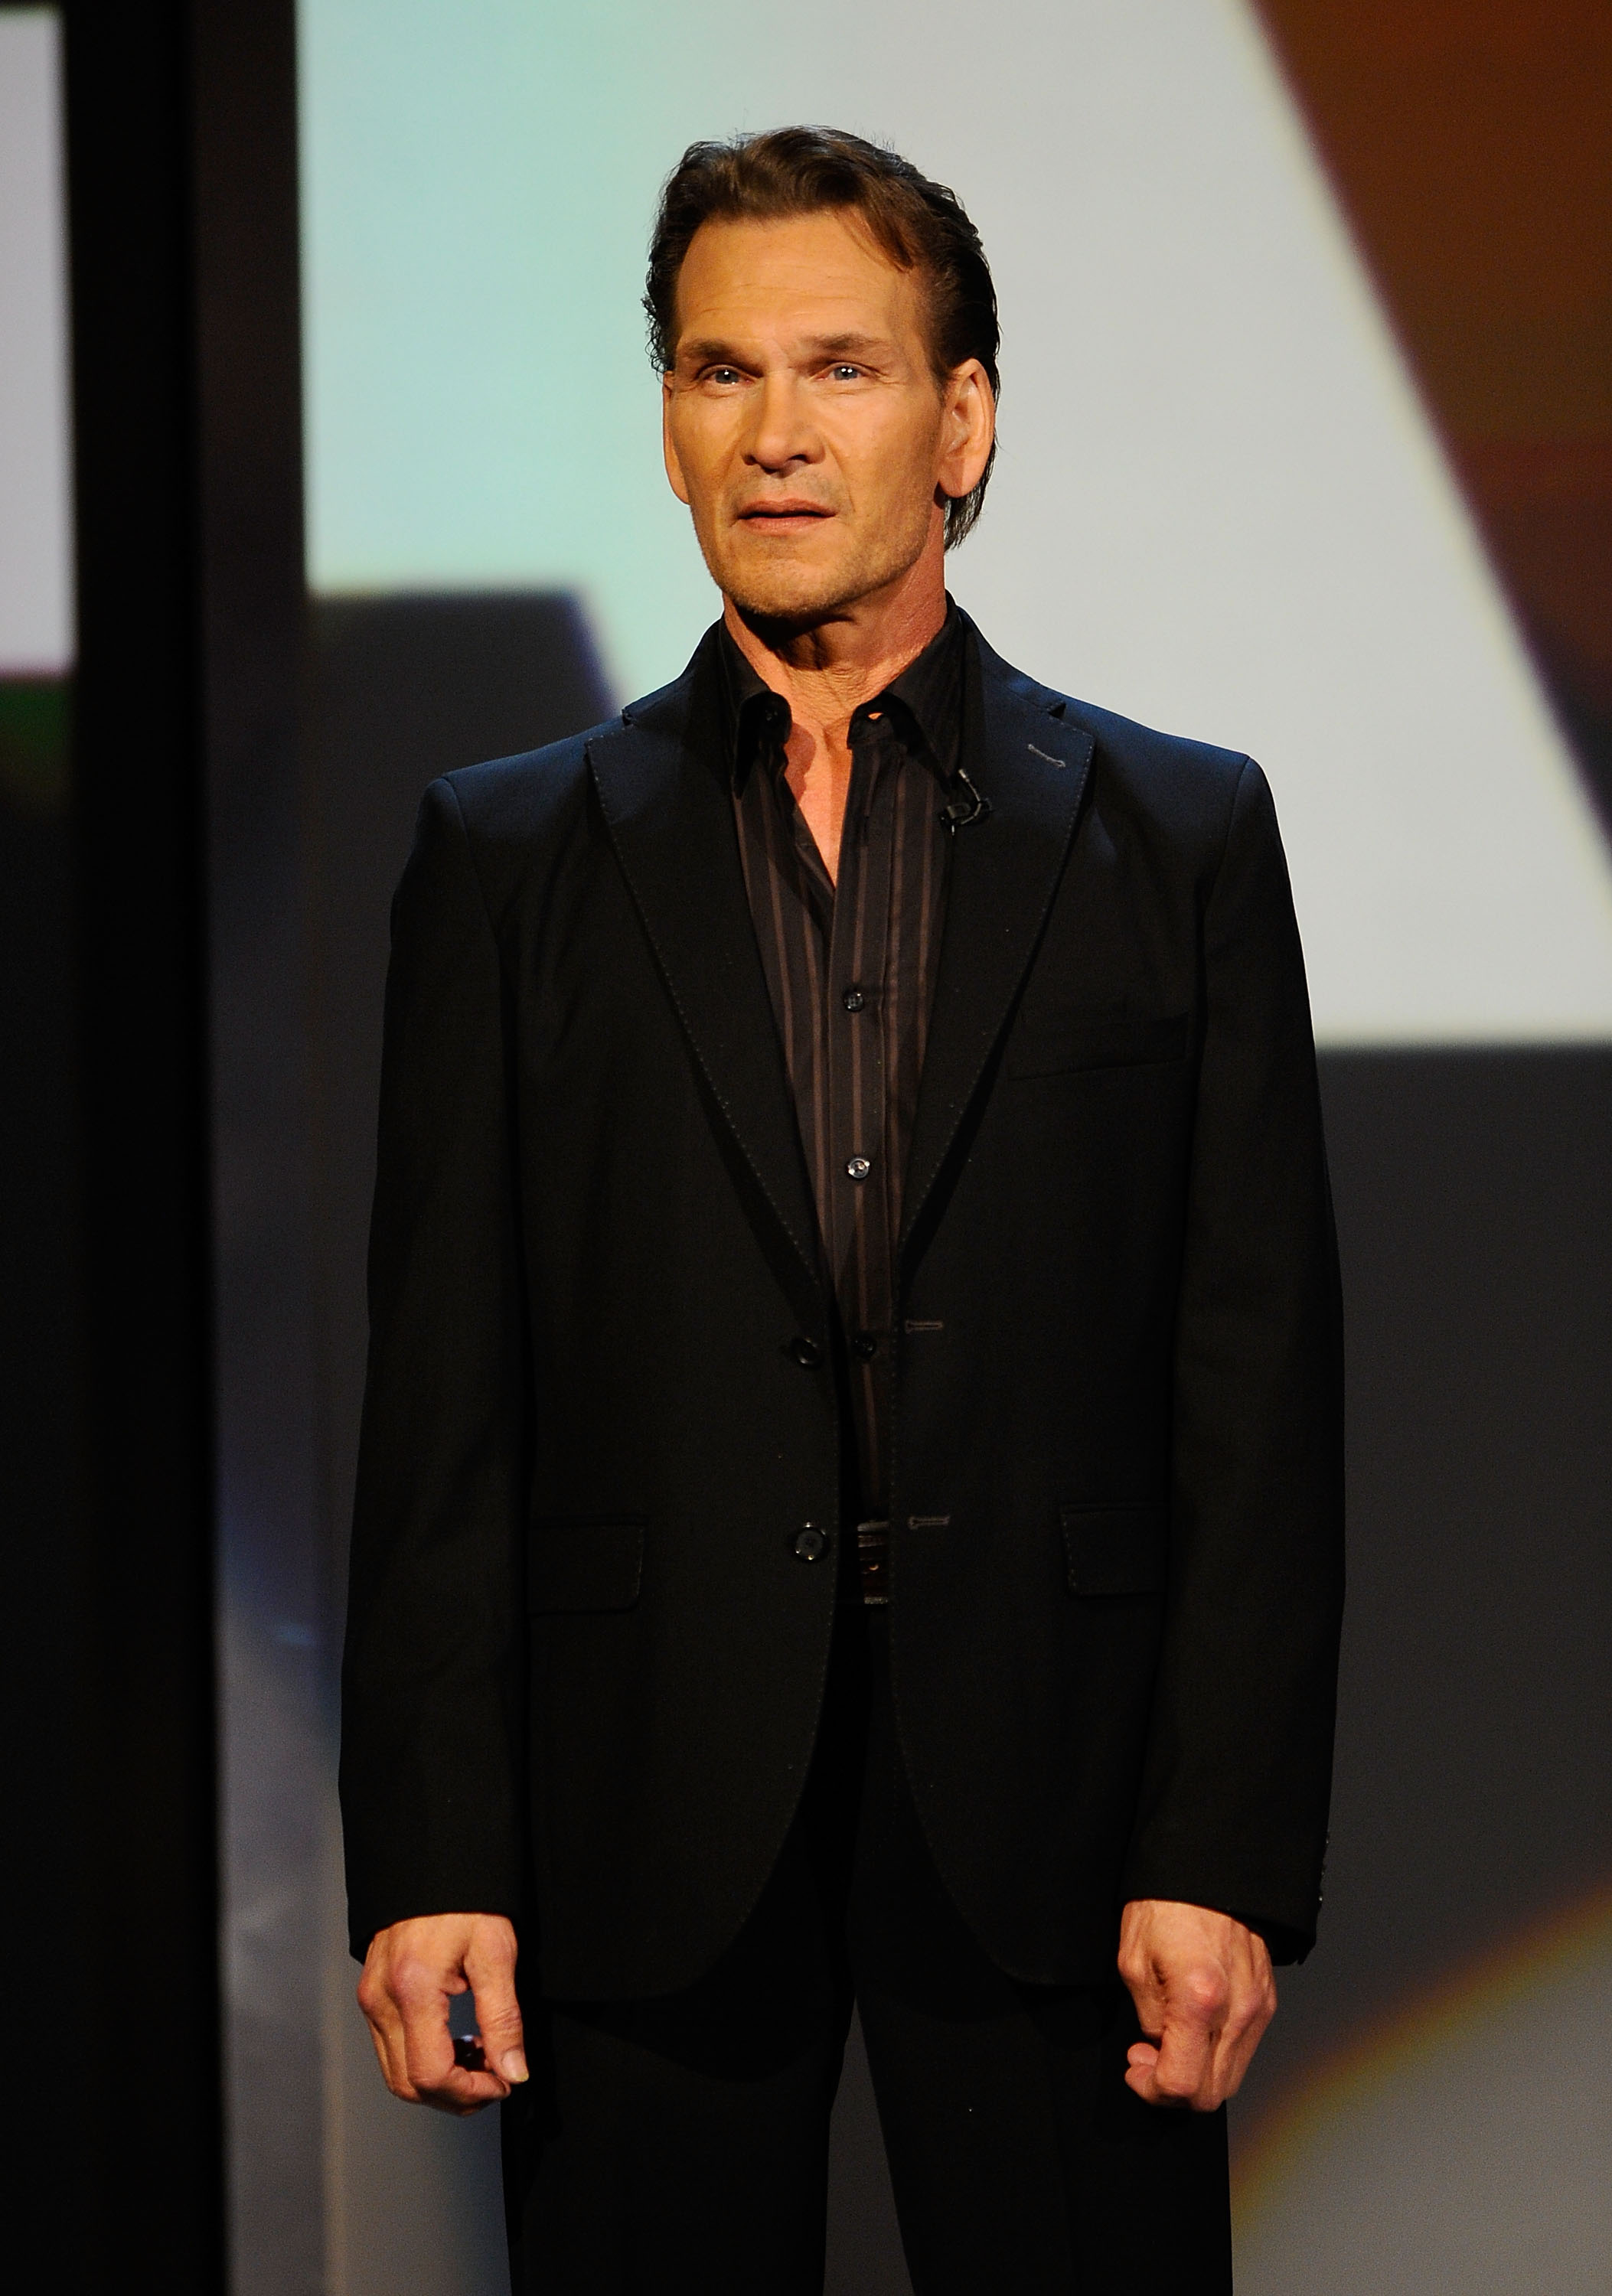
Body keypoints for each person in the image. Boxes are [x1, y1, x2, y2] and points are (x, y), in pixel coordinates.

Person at [340, 126, 1345, 2294]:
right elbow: (443, 1396)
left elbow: (1253, 1382)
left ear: (960, 420)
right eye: (717, 373)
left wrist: (1223, 1848)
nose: (773, 433)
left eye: (840, 368)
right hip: (641, 1802)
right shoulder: (512, 859)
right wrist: (431, 1852)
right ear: (667, 424)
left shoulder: (1171, 837)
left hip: (1065, 1816)